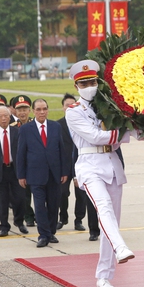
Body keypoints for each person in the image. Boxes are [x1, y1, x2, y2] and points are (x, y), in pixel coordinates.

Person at [66, 61, 135, 287]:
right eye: (84, 83)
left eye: (93, 82)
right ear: (76, 86)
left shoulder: (110, 105)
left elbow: (124, 134)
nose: (90, 87)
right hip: (90, 166)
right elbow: (95, 136)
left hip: (112, 165)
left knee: (112, 220)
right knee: (102, 206)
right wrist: (124, 131)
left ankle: (104, 277)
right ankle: (120, 246)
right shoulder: (74, 111)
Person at [16, 99, 70, 248]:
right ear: (33, 111)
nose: (41, 112)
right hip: (35, 175)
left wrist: (64, 171)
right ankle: (43, 235)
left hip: (54, 173)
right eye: (38, 109)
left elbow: (62, 150)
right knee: (40, 206)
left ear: (48, 110)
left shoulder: (55, 127)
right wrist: (21, 175)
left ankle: (51, 232)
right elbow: (21, 153)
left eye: (44, 109)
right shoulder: (26, 129)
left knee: (53, 205)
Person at [0, 105, 27, 237]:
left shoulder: (17, 132)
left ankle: (19, 221)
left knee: (19, 198)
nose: (3, 118)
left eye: (6, 116)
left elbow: (23, 153)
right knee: (1, 200)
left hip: (15, 170)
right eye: (0, 116)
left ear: (10, 117)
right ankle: (4, 226)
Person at [57, 93, 86, 232]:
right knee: (62, 193)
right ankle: (62, 218)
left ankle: (79, 220)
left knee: (81, 193)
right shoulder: (57, 125)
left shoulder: (82, 123)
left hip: (80, 163)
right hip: (63, 165)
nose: (70, 107)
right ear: (63, 108)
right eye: (67, 105)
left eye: (72, 105)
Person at [11, 95, 36, 228]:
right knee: (23, 194)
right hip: (20, 165)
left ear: (29, 110)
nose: (22, 112)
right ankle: (28, 216)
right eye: (19, 109)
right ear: (15, 111)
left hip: (34, 164)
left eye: (25, 109)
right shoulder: (12, 127)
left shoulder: (35, 124)